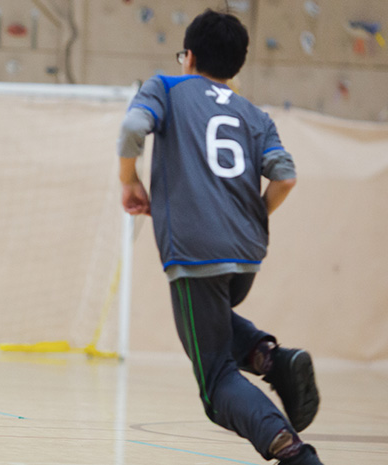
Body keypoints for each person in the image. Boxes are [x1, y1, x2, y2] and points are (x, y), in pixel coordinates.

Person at [117, 10, 322, 465]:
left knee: (216, 382)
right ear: (237, 66)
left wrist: (129, 180)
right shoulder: (254, 114)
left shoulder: (166, 88)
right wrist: (255, 214)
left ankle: (292, 451)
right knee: (210, 320)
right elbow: (285, 178)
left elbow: (133, 128)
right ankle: (267, 356)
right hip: (247, 255)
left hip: (197, 251)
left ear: (188, 57)